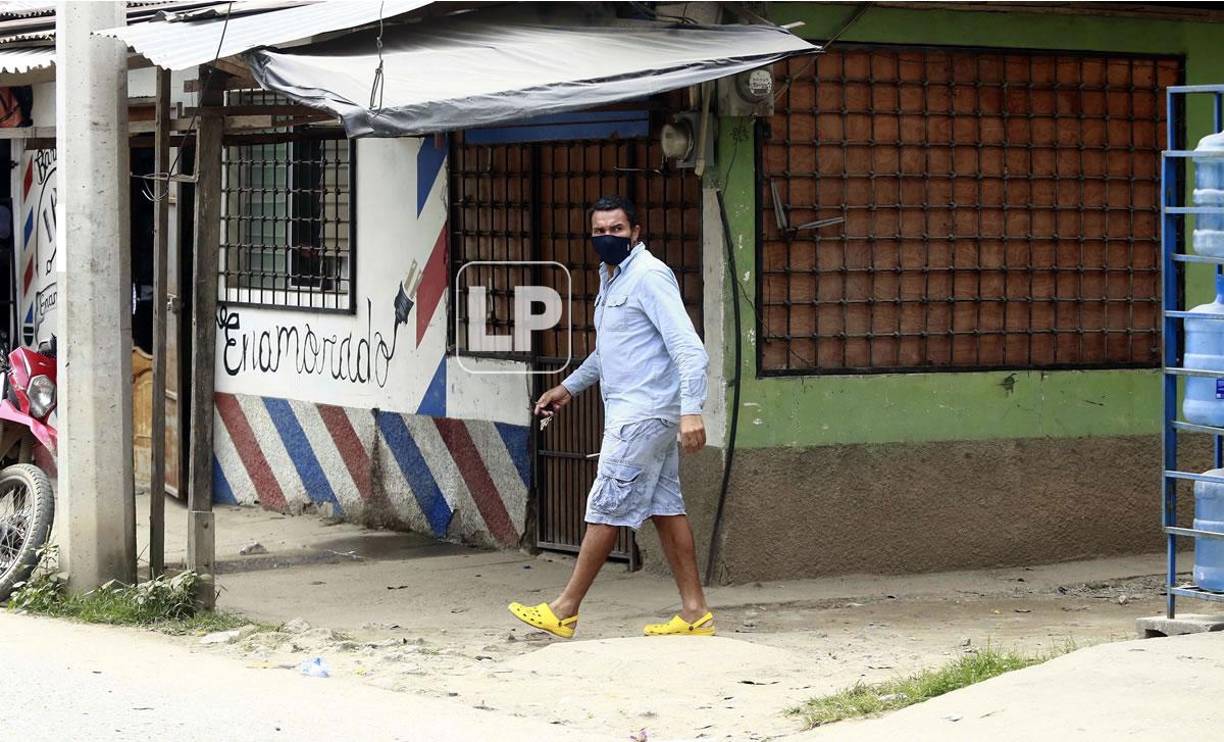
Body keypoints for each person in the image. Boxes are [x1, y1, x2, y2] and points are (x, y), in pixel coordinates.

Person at [508, 195, 714, 639]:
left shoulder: (649, 276)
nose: (606, 238)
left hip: (642, 416)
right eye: (599, 231)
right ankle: (695, 611)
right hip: (639, 412)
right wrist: (567, 388)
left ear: (635, 232)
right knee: (665, 509)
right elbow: (610, 353)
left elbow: (689, 349)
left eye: (615, 230)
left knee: (605, 507)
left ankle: (564, 609)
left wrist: (692, 411)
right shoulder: (612, 278)